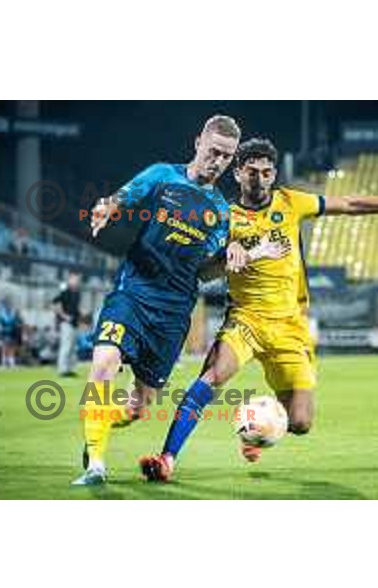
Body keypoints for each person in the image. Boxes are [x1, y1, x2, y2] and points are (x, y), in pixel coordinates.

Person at [140, 137, 378, 481]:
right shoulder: (223, 216)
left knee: (300, 422)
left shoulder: (291, 202)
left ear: (274, 173)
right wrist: (226, 257)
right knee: (210, 378)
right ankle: (167, 459)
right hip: (245, 321)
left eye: (267, 172)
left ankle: (256, 429)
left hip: (289, 326)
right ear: (237, 173)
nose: (260, 179)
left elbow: (350, 203)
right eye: (252, 172)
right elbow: (201, 272)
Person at [71, 116, 286, 486]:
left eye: (226, 156)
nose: (217, 160)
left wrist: (244, 253)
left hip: (173, 312)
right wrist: (106, 207)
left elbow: (205, 272)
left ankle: (100, 421)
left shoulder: (221, 212)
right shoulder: (162, 176)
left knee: (140, 407)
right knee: (105, 361)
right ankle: (96, 463)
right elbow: (123, 197)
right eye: (213, 150)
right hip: (133, 293)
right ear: (197, 142)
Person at [53, 272, 81, 377]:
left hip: (75, 323)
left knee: (73, 347)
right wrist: (64, 316)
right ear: (69, 280)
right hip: (66, 323)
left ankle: (70, 369)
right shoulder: (65, 291)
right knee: (66, 346)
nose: (77, 281)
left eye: (77, 280)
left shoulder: (77, 293)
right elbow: (56, 303)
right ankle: (62, 369)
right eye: (74, 279)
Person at [0, 298, 21, 368]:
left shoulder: (13, 313)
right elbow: (3, 321)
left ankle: (11, 363)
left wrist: (15, 323)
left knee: (11, 348)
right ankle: (4, 363)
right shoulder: (2, 313)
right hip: (5, 333)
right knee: (4, 347)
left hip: (12, 333)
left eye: (9, 305)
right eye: (7, 304)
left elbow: (15, 321)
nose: (9, 306)